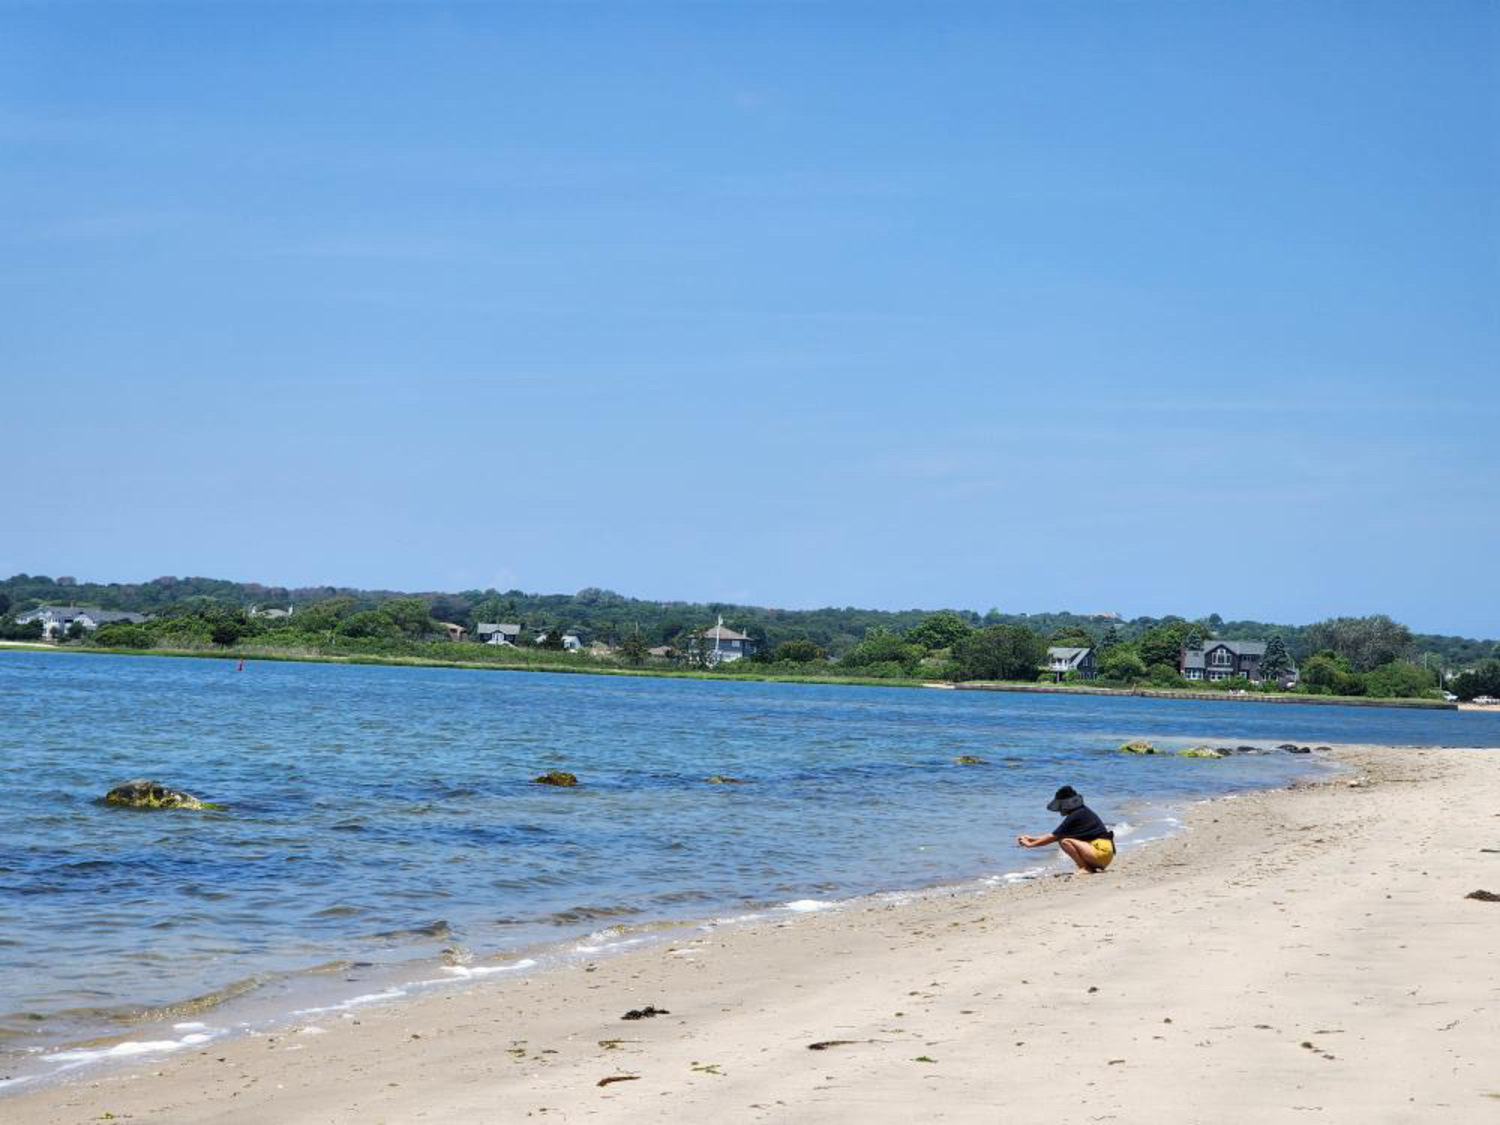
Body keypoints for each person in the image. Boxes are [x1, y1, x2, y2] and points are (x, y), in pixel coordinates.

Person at [1016, 785, 1115, 873]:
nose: (1060, 810)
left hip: (1100, 852)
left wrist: (1030, 845)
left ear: (1066, 804)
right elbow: (1054, 835)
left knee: (1065, 841)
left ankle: (1085, 867)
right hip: (1105, 854)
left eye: (1060, 806)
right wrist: (1032, 838)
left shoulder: (1076, 815)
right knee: (1063, 839)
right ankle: (1088, 867)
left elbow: (1053, 836)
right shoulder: (1082, 811)